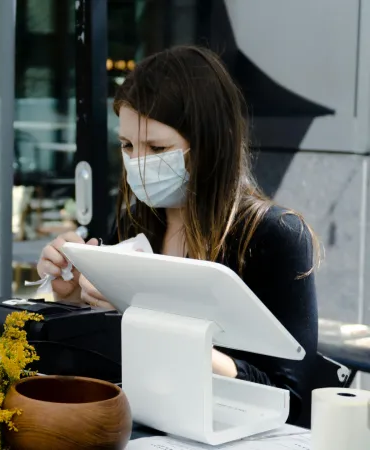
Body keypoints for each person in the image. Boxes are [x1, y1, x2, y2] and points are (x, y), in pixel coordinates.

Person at [37, 45, 319, 426]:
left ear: (211, 143)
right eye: (127, 146)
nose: (138, 163)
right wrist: (73, 302)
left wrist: (167, 331)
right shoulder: (135, 224)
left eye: (157, 148)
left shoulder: (274, 237)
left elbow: (291, 397)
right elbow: (104, 365)